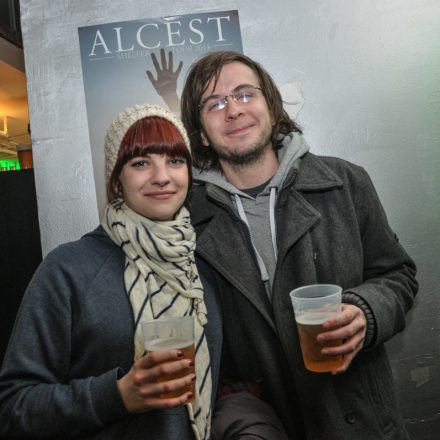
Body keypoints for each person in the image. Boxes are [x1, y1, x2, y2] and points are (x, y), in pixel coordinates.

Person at [180, 50, 418, 440]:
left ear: (271, 106)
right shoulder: (186, 221)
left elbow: (398, 276)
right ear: (202, 133)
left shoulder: (345, 183)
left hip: (359, 420)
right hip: (266, 426)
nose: (234, 110)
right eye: (215, 103)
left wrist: (366, 312)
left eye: (244, 94)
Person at [0, 104, 220, 440]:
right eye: (141, 163)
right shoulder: (69, 269)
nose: (162, 176)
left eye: (175, 161)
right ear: (116, 180)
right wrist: (116, 396)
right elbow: (13, 407)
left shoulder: (200, 266)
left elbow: (227, 383)